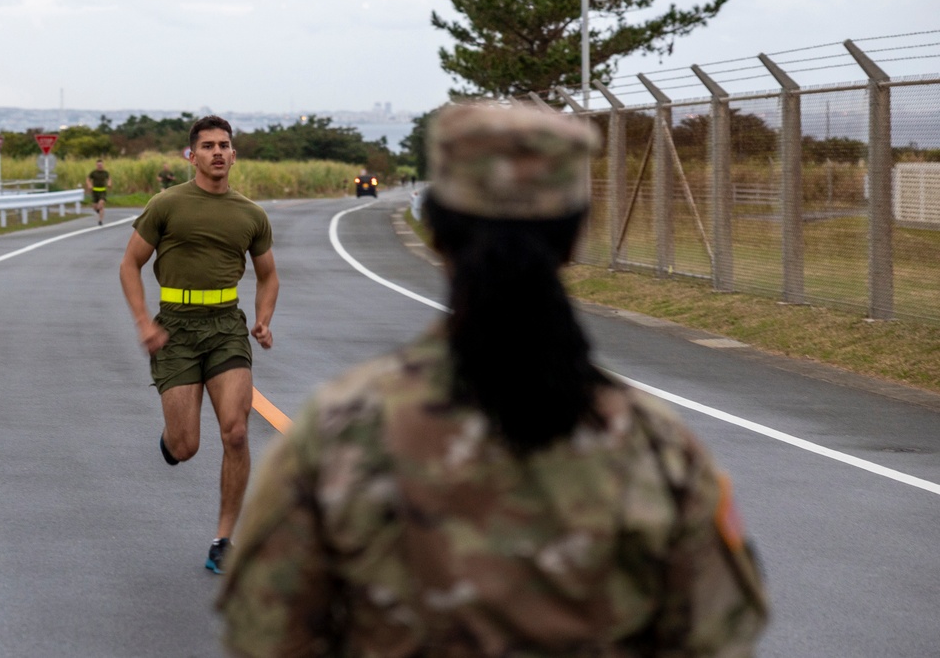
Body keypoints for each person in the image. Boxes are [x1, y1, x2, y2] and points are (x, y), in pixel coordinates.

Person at [217, 103, 767, 655]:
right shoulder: (658, 451)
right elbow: (717, 639)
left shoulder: (340, 434)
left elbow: (264, 636)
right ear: (576, 239)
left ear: (434, 234)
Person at [119, 115, 280, 575]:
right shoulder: (166, 204)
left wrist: (264, 319)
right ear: (192, 155)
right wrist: (142, 324)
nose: (216, 152)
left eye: (223, 145)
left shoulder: (250, 214)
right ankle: (172, 442)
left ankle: (223, 539)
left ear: (233, 155)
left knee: (236, 430)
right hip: (175, 329)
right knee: (187, 444)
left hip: (226, 326)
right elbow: (130, 264)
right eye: (206, 145)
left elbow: (268, 275)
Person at [86, 159, 112, 226]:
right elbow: (88, 179)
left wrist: (109, 183)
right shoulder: (94, 173)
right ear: (96, 165)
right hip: (95, 192)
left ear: (103, 165)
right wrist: (89, 185)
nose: (100, 166)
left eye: (101, 165)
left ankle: (100, 221)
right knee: (95, 207)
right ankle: (98, 211)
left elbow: (109, 178)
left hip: (102, 191)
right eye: (98, 165)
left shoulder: (105, 173)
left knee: (101, 205)